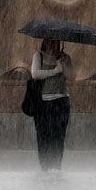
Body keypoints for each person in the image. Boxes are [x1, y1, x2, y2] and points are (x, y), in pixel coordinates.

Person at [29, 38, 71, 170]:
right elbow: (35, 74)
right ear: (45, 42)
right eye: (49, 42)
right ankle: (45, 166)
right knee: (43, 135)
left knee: (59, 136)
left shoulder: (65, 58)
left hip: (61, 101)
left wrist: (64, 66)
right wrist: (55, 71)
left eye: (55, 42)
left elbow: (72, 76)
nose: (52, 45)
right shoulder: (38, 56)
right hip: (43, 102)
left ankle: (56, 165)